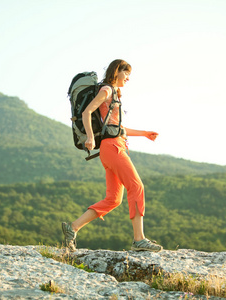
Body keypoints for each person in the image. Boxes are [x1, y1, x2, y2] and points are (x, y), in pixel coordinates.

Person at [62, 59, 163, 252]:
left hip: (113, 147)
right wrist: (90, 137)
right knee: (136, 186)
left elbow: (118, 127)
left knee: (114, 200)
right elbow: (87, 112)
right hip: (113, 148)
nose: (128, 79)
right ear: (117, 72)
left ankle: (72, 227)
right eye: (127, 74)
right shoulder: (107, 90)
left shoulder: (113, 94)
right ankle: (139, 239)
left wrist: (144, 133)